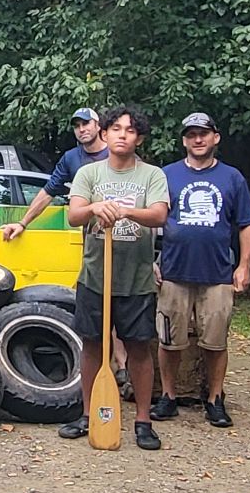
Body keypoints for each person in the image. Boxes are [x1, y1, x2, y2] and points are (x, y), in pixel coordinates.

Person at [61, 108, 170, 447]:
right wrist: (95, 208)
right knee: (93, 345)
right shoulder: (89, 174)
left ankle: (142, 420)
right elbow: (73, 216)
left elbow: (158, 214)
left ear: (139, 138)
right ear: (104, 135)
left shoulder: (152, 175)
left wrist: (123, 210)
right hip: (95, 277)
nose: (123, 134)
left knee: (138, 348)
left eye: (131, 130)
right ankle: (88, 414)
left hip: (136, 280)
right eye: (116, 128)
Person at [153, 113, 250, 428]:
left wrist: (244, 266)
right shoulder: (165, 175)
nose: (197, 139)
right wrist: (151, 260)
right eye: (191, 135)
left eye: (203, 134)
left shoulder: (232, 178)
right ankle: (168, 396)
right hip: (173, 272)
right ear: (184, 140)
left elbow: (247, 223)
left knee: (215, 342)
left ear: (216, 138)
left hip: (217, 275)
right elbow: (150, 220)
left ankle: (214, 398)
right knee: (169, 341)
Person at [0, 108, 106, 241]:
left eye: (86, 123)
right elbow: (49, 191)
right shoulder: (71, 158)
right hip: (91, 234)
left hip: (122, 229)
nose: (81, 129)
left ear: (98, 125)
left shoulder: (116, 153)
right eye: (77, 126)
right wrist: (22, 223)